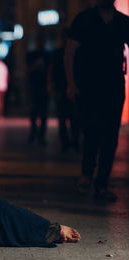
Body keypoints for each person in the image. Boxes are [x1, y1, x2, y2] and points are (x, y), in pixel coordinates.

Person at [65, 0, 129, 201]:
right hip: (89, 87)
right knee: (91, 133)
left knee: (111, 137)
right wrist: (71, 83)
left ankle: (101, 183)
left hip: (114, 87)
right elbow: (69, 52)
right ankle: (86, 175)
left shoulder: (123, 22)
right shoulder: (84, 20)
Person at [50, 28, 80, 153]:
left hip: (71, 87)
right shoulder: (58, 52)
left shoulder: (74, 53)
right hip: (61, 87)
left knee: (73, 117)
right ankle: (66, 142)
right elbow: (51, 69)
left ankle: (74, 141)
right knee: (64, 117)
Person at [26, 35, 50, 145]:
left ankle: (41, 135)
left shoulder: (47, 54)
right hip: (34, 85)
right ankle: (34, 132)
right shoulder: (32, 54)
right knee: (34, 111)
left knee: (43, 112)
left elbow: (50, 70)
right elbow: (28, 69)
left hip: (43, 86)